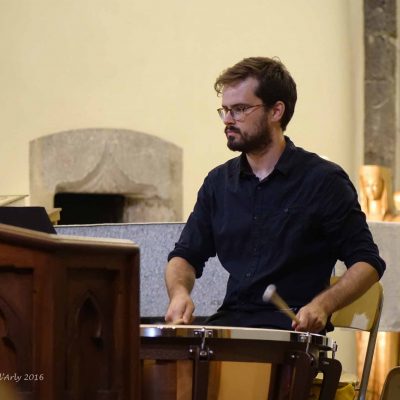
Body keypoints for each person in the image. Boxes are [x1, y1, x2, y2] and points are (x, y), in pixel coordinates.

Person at [164, 57, 385, 334]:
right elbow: (184, 256)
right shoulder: (218, 183)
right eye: (225, 110)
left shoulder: (323, 181)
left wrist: (323, 305)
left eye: (240, 109)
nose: (228, 120)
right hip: (231, 326)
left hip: (290, 335)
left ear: (276, 111)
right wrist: (179, 294)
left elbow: (367, 262)